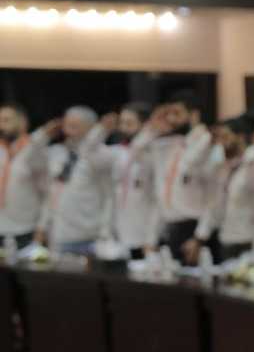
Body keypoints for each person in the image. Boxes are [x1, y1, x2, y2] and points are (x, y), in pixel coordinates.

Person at [148, 91, 221, 261]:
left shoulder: (208, 144)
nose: (171, 119)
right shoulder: (175, 145)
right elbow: (161, 193)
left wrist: (200, 237)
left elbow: (214, 196)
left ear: (193, 115)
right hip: (172, 227)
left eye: (177, 113)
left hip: (196, 230)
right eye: (168, 114)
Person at [191, 115, 254, 264]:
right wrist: (199, 237)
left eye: (225, 136)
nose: (221, 142)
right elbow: (213, 206)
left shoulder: (253, 163)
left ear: (240, 137)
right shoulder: (221, 169)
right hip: (227, 240)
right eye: (219, 138)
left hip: (250, 240)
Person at [43, 106, 116, 256]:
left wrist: (105, 231)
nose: (70, 127)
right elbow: (49, 191)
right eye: (67, 122)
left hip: (89, 236)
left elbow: (110, 195)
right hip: (58, 234)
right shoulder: (56, 152)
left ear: (91, 127)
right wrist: (43, 135)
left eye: (76, 123)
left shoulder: (102, 154)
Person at [101, 102, 159, 259]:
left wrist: (151, 238)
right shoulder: (118, 152)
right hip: (120, 234)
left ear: (145, 125)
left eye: (129, 123)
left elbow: (157, 202)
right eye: (122, 123)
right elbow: (88, 153)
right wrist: (102, 129)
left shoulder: (154, 155)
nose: (123, 128)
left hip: (146, 237)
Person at [0, 102, 49, 250]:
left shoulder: (35, 152)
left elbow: (47, 193)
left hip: (26, 230)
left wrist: (42, 227)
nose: (1, 125)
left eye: (6, 120)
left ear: (22, 122)